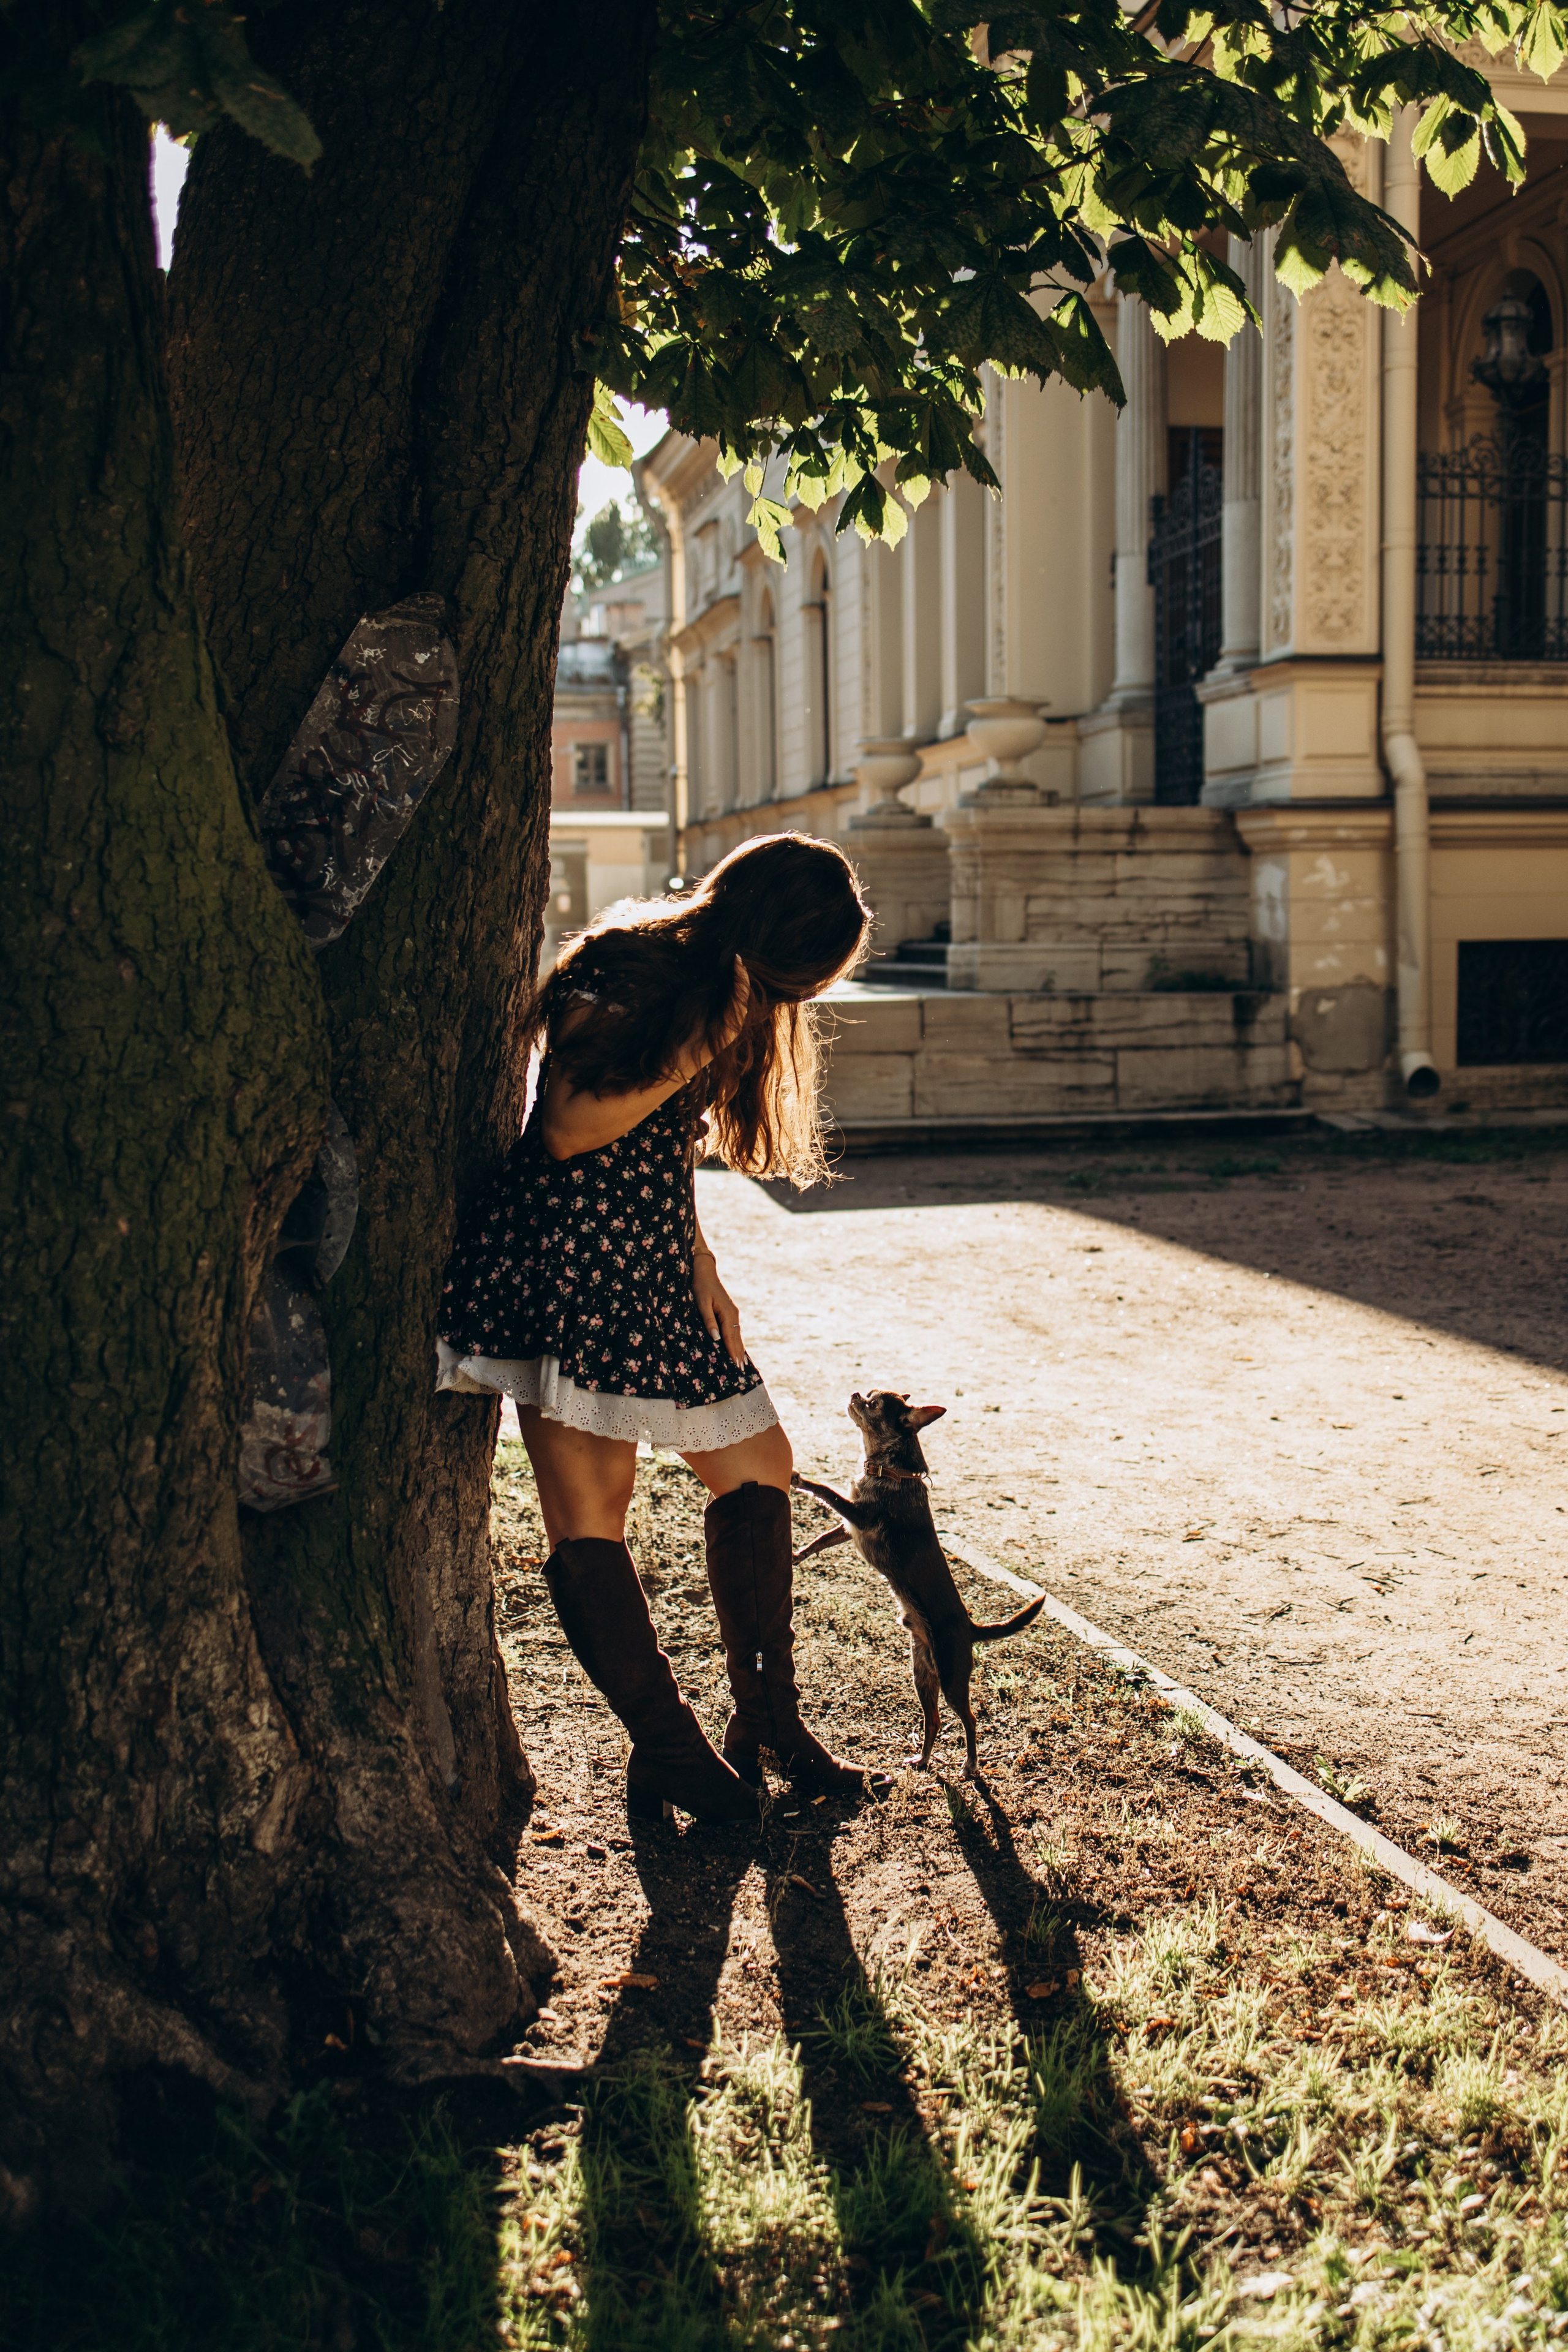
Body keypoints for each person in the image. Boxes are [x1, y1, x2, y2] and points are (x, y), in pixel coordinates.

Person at [436, 833, 873, 1828]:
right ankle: (671, 1755)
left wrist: (701, 1260)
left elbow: (660, 1141)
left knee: (759, 1464)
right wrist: (715, 1032)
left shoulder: (726, 992)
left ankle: (768, 1724)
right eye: (800, 979)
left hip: (654, 1264)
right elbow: (570, 1127)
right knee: (591, 1513)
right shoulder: (628, 965)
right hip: (565, 1266)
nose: (796, 1001)